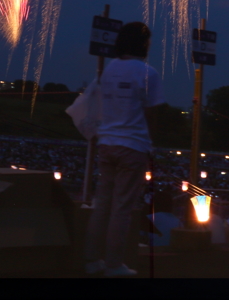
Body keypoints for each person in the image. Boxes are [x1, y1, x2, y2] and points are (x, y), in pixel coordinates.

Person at [84, 22, 164, 278]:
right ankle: (114, 264)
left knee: (102, 204)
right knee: (122, 208)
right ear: (142, 44)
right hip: (132, 146)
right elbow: (152, 114)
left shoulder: (109, 70)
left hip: (106, 144)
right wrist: (153, 144)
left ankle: (91, 260)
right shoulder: (147, 73)